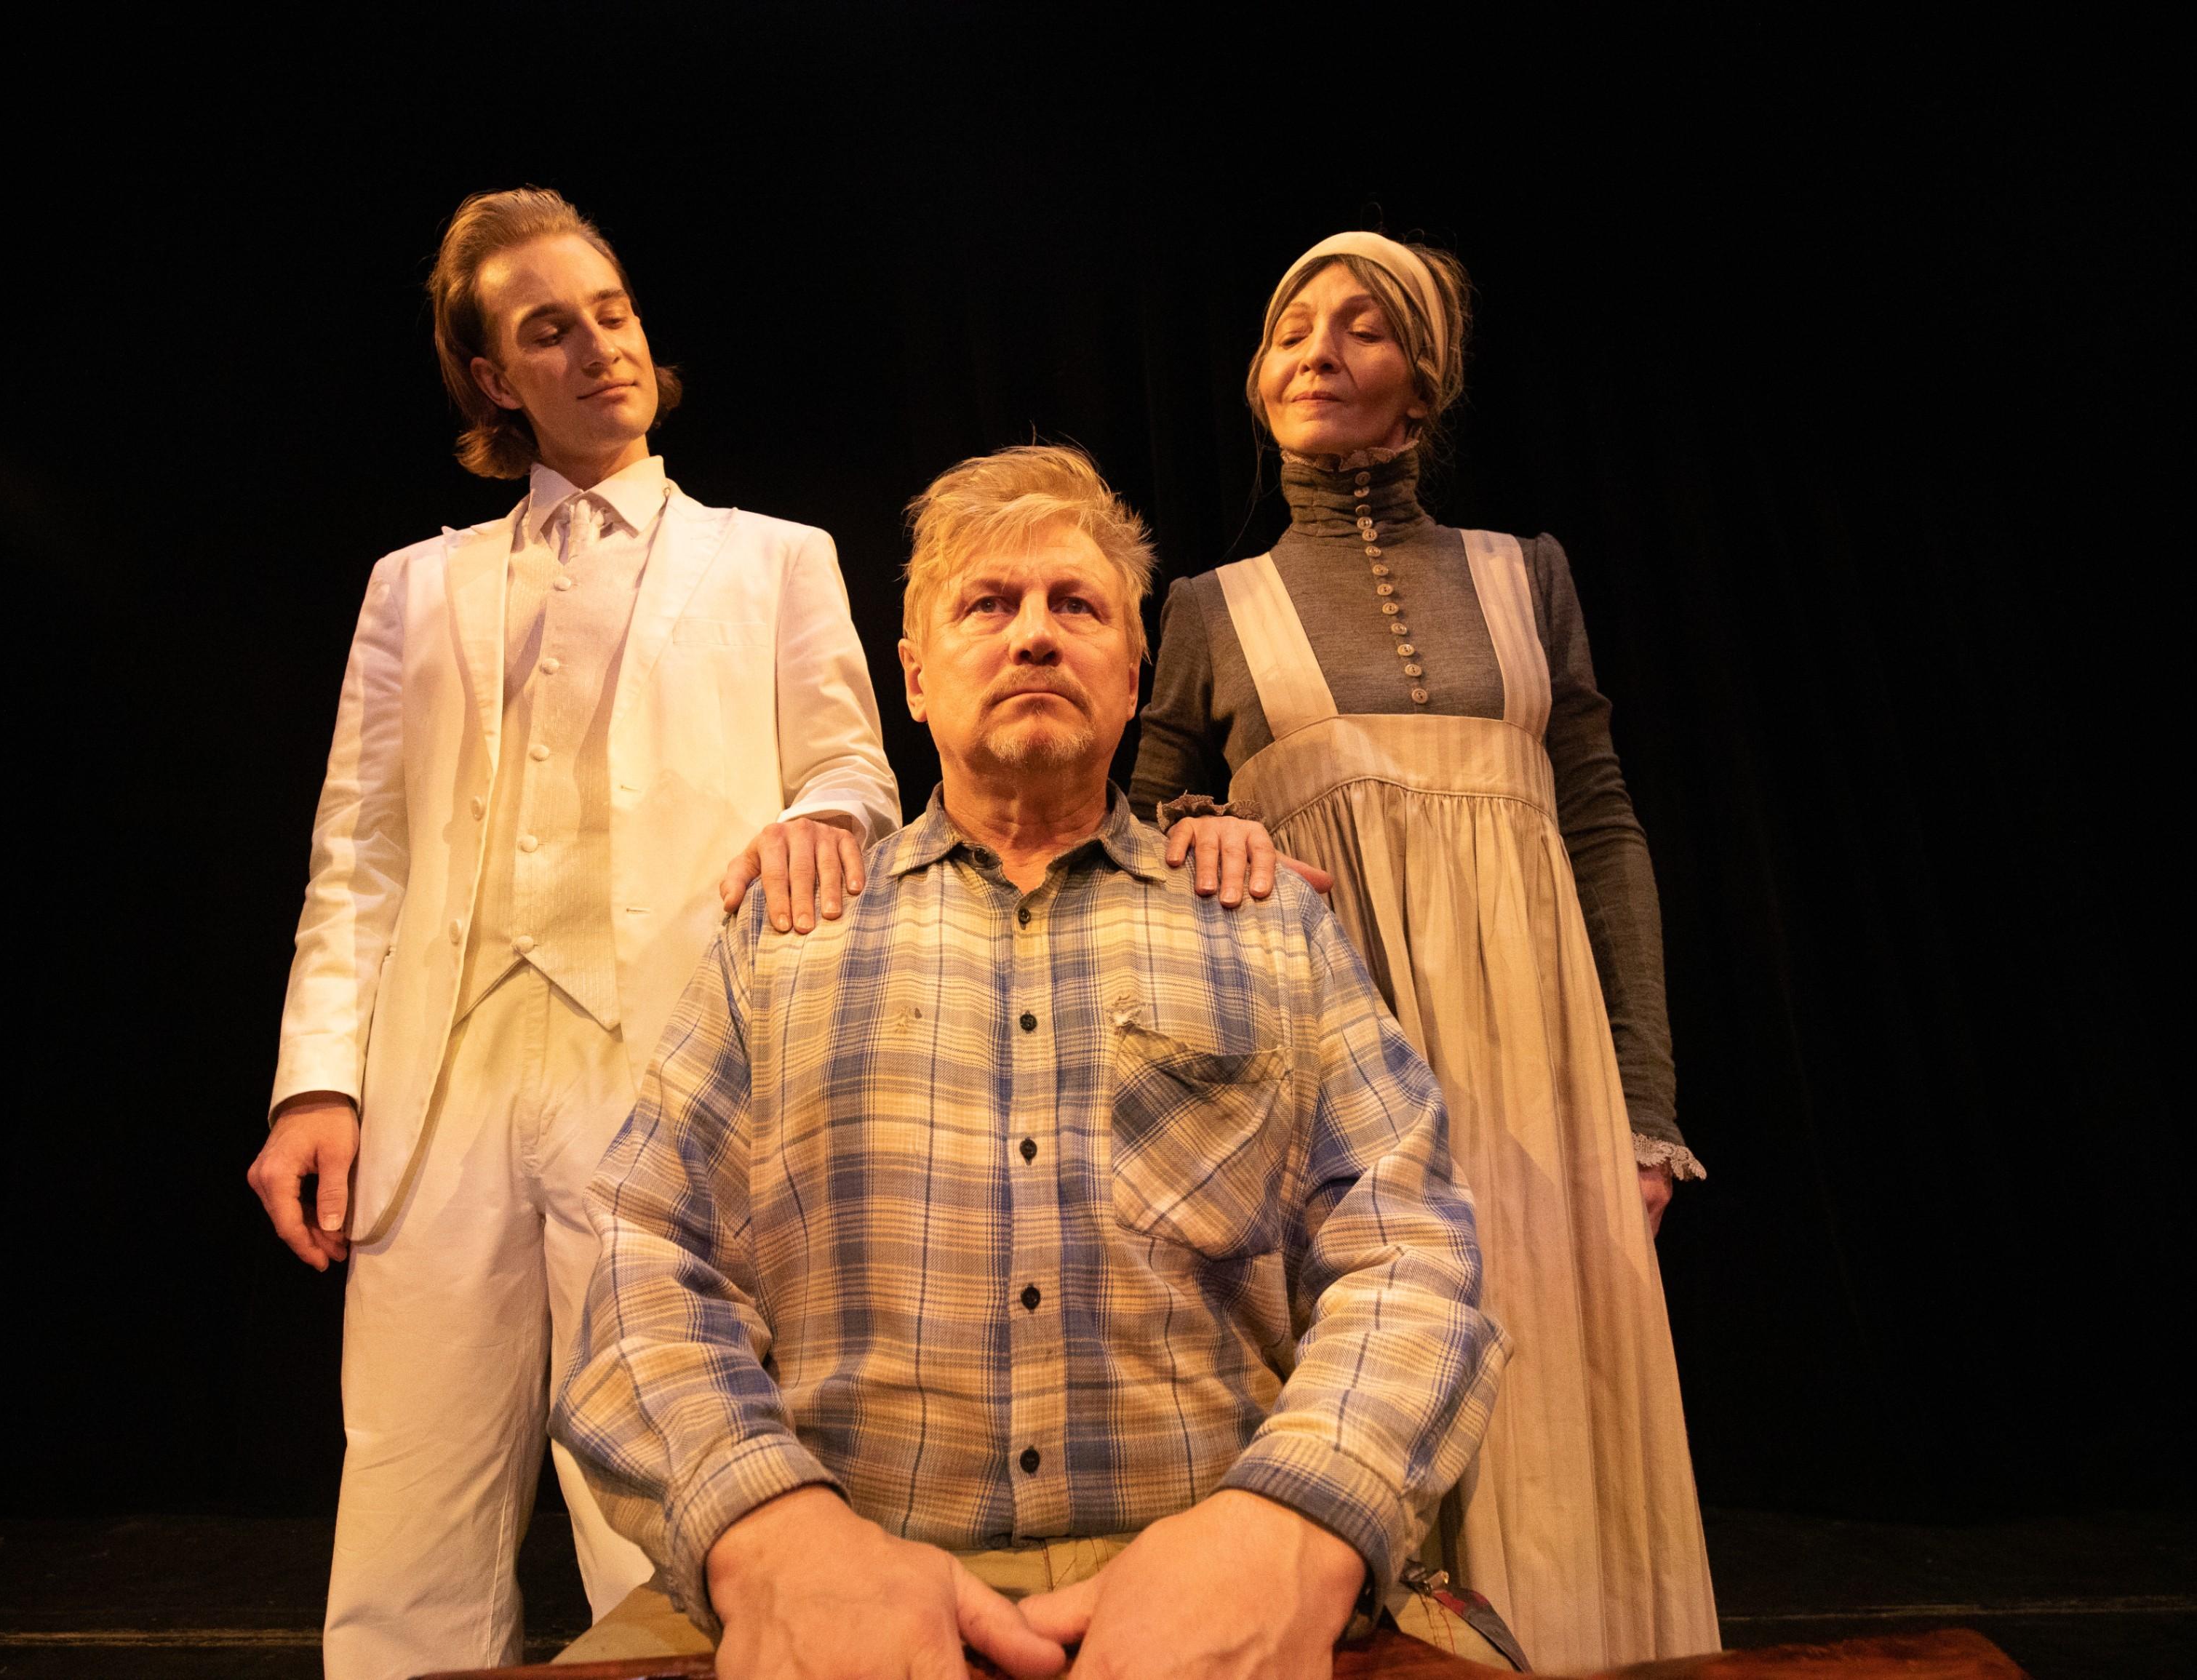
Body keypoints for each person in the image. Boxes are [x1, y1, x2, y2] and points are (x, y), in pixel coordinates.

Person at [554, 445, 1516, 1679]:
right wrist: (769, 1534)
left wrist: (1295, 1522)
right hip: (842, 1562)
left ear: (1133, 677)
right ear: (912, 677)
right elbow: (645, 1253)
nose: (1033, 635)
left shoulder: (1264, 921)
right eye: (987, 605)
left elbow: (1409, 1249)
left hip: (1213, 1564)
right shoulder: (785, 936)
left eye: (1076, 606)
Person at [243, 187, 901, 1680]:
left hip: (662, 1065)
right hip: (442, 1077)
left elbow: (853, 772)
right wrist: (315, 1082)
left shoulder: (771, 558)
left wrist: (824, 821)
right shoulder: (414, 587)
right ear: (493, 379)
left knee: (663, 1496)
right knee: (409, 1496)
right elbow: (359, 853)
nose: (599, 347)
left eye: (612, 313)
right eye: (550, 330)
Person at [1130, 231, 1718, 1668]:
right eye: (1290, 330)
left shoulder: (1527, 577)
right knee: (1372, 1435)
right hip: (1332, 1092)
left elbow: (1601, 825)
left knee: (1565, 1424)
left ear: (1423, 380)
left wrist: (1642, 1105)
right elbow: (1125, 833)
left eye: (1362, 327)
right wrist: (1206, 831)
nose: (1317, 352)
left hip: (1543, 1081)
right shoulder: (1211, 607)